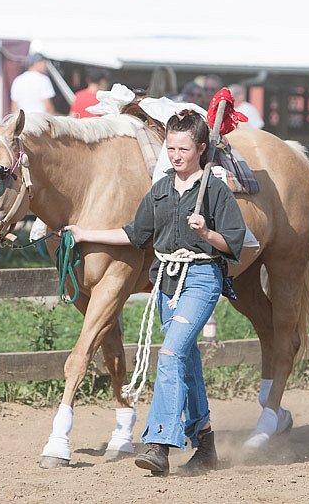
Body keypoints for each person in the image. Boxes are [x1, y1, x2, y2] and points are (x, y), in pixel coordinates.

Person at [64, 110, 245, 475]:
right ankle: (206, 442)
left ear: (201, 149)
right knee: (186, 362)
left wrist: (208, 233)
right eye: (171, 147)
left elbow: (234, 244)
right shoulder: (160, 189)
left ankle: (159, 443)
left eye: (184, 148)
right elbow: (134, 234)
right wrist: (87, 234)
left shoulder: (214, 190)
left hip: (202, 277)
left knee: (170, 355)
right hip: (166, 283)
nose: (176, 154)